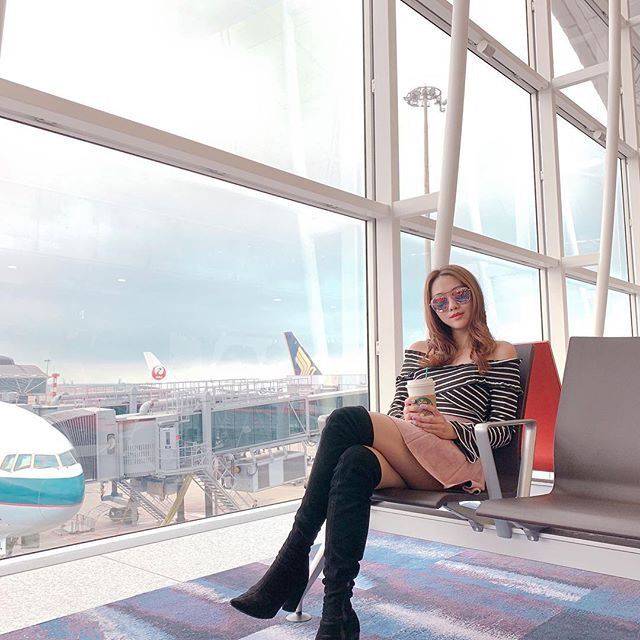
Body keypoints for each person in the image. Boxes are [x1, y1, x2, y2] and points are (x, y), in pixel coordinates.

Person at [230, 264, 523, 639]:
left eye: (459, 295)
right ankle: (337, 613)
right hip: (412, 449)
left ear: (474, 295)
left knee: (343, 420)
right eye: (440, 301)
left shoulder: (499, 352)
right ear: (432, 308)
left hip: (457, 458)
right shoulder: (420, 352)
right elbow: (395, 410)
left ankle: (292, 558)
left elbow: (503, 430)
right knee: (353, 462)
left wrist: (450, 429)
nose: (451, 305)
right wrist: (408, 422)